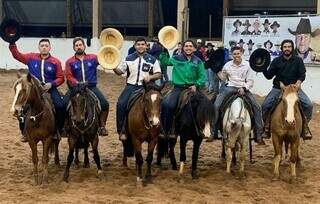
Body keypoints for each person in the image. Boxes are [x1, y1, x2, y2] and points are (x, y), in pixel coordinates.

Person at [9, 39, 65, 142]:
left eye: (46, 46)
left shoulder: (55, 61)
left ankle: (57, 130)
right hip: (34, 90)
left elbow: (61, 78)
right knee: (22, 108)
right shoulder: (31, 58)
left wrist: (51, 84)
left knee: (60, 106)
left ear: (50, 48)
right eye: (42, 45)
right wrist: (12, 43)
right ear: (39, 48)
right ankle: (24, 132)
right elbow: (17, 55)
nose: (44, 47)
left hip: (49, 89)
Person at [261, 39, 313, 140]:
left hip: (294, 89)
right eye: (285, 47)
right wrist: (262, 67)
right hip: (278, 88)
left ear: (292, 48)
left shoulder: (298, 60)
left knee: (308, 105)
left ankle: (304, 127)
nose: (287, 49)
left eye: (289, 47)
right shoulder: (276, 61)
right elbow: (269, 76)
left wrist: (298, 83)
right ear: (282, 48)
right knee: (265, 105)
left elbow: (302, 75)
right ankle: (267, 127)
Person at [214, 46, 265, 145]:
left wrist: (244, 88)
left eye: (238, 53)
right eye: (234, 54)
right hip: (230, 88)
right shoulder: (227, 65)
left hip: (244, 88)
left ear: (241, 53)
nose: (236, 55)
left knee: (257, 107)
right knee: (216, 105)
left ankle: (258, 135)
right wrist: (218, 72)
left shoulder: (248, 65)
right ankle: (213, 132)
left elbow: (250, 81)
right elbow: (223, 78)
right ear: (231, 55)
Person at [113, 37, 161, 141]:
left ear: (146, 46)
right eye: (138, 44)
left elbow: (158, 74)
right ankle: (122, 130)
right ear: (135, 46)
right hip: (131, 86)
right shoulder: (128, 58)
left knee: (158, 104)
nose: (140, 46)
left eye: (142, 44)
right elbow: (119, 72)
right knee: (121, 104)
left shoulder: (153, 60)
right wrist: (112, 66)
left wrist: (151, 77)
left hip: (146, 88)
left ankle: (161, 129)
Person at [161, 40, 206, 138]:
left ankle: (204, 129)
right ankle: (166, 130)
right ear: (182, 48)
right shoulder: (176, 58)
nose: (188, 48)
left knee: (206, 105)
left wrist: (196, 85)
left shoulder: (198, 61)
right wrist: (164, 49)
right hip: (178, 88)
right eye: (186, 46)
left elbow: (202, 76)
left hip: (193, 88)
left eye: (190, 46)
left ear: (194, 48)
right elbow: (165, 61)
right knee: (167, 104)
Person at [65, 37, 109, 136]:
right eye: (76, 46)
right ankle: (65, 126)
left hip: (91, 87)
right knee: (63, 104)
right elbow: (68, 75)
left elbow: (104, 60)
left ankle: (102, 126)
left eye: (80, 45)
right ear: (74, 48)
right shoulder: (69, 61)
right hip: (76, 88)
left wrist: (111, 57)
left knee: (105, 104)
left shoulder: (93, 57)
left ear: (84, 46)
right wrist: (77, 83)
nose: (78, 47)